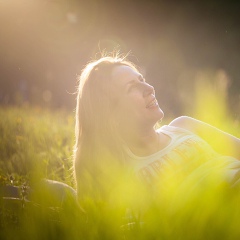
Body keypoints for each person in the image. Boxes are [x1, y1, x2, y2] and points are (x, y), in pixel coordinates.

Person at [73, 53, 240, 205]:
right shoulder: (119, 174)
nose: (149, 89)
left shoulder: (183, 126)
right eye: (131, 88)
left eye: (142, 80)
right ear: (110, 114)